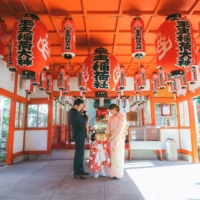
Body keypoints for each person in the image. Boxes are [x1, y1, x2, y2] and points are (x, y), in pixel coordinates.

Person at [69, 98, 90, 180]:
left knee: (81, 153)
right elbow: (84, 120)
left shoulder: (76, 112)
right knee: (79, 154)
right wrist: (85, 114)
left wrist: (84, 113)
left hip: (81, 134)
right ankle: (77, 172)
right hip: (78, 134)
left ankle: (81, 170)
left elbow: (84, 119)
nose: (81, 108)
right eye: (80, 106)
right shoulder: (73, 112)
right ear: (75, 105)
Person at [106, 103, 127, 180]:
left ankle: (118, 173)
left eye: (111, 110)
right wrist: (108, 135)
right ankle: (112, 173)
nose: (111, 112)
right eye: (110, 110)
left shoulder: (122, 117)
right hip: (111, 137)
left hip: (118, 138)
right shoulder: (110, 118)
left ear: (115, 109)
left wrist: (113, 135)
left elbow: (120, 128)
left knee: (118, 155)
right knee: (112, 155)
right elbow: (108, 126)